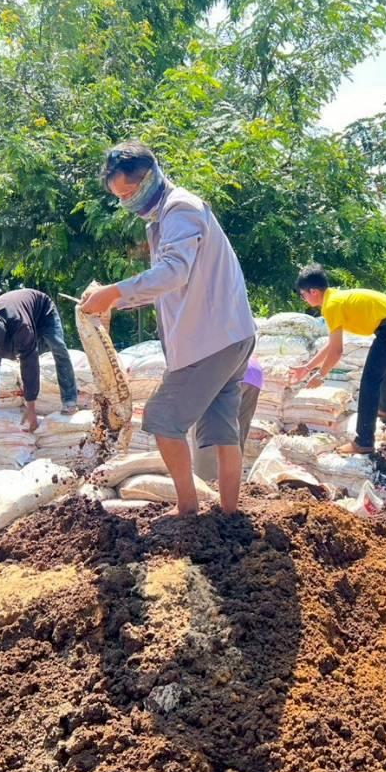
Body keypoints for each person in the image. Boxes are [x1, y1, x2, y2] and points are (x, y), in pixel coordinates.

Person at [80, 141, 255, 516]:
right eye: (120, 197)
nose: (128, 201)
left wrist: (114, 293)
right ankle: (229, 515)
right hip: (230, 334)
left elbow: (173, 273)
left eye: (130, 191)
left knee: (161, 418)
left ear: (152, 174)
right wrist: (118, 299)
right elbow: (171, 283)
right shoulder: (165, 217)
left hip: (210, 339)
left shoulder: (180, 209)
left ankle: (188, 507)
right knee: (223, 429)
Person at [290, 265, 386, 455]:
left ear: (313, 291)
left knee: (369, 381)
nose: (303, 298)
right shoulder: (334, 299)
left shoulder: (331, 305)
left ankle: (363, 442)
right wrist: (307, 367)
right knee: (379, 368)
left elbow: (337, 351)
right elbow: (331, 345)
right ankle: (385, 411)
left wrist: (321, 376)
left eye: (302, 294)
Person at [0, 288, 79, 431]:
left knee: (58, 348)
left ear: (5, 336)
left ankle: (69, 399)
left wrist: (30, 405)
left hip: (43, 311)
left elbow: (29, 364)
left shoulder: (21, 327)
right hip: (15, 314)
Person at [192, 355, 263, 482]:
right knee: (235, 436)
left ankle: (208, 486)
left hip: (225, 371)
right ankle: (231, 490)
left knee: (207, 435)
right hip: (253, 373)